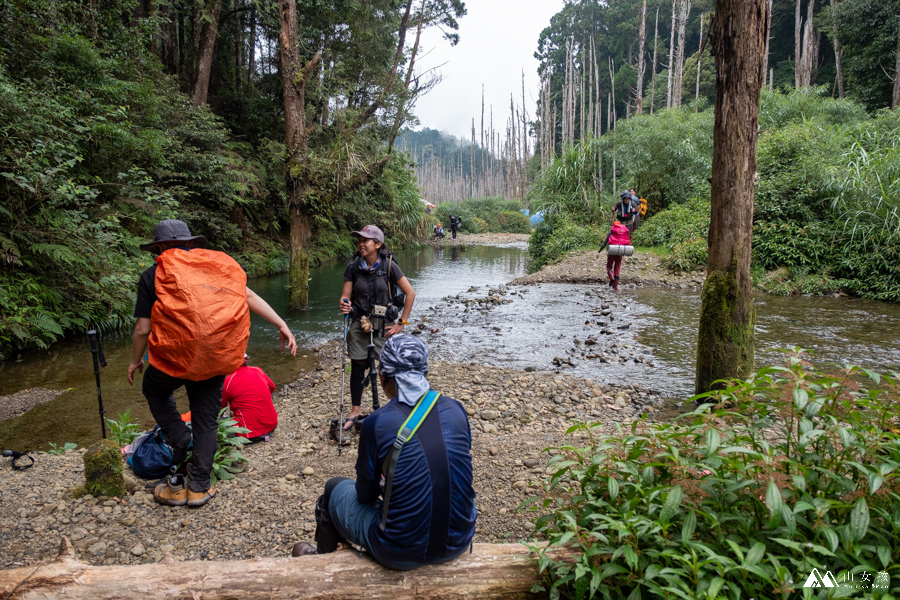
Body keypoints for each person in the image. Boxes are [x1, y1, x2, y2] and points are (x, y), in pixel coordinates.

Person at [127, 219, 297, 508]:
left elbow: (143, 329)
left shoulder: (153, 274)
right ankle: (199, 488)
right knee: (206, 419)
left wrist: (134, 361)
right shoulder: (215, 269)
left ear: (158, 248)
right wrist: (281, 324)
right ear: (190, 243)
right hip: (215, 357)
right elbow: (249, 295)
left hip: (173, 358)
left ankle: (178, 436)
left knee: (155, 390)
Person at [291, 335, 477, 570]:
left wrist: (384, 483)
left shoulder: (378, 422)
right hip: (459, 540)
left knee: (333, 488)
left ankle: (320, 564)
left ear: (383, 376)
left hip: (399, 550)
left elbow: (365, 495)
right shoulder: (455, 409)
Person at [339, 225, 416, 430]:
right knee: (357, 368)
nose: (361, 244)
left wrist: (401, 324)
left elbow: (410, 293)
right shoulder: (352, 267)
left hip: (384, 326)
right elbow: (345, 296)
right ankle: (355, 410)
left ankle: (399, 407)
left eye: (366, 240)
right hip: (359, 323)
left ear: (378, 244)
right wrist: (344, 304)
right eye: (359, 240)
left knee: (390, 369)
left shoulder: (390, 266)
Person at [222, 353, 278, 442]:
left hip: (248, 434)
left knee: (213, 426)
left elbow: (219, 409)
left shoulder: (228, 382)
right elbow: (271, 387)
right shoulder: (258, 370)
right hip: (271, 425)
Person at [598, 220, 631, 290]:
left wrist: (599, 251)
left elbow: (605, 242)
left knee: (609, 266)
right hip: (620, 252)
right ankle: (615, 287)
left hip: (612, 252)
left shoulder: (611, 232)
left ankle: (612, 278)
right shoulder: (623, 233)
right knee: (617, 269)